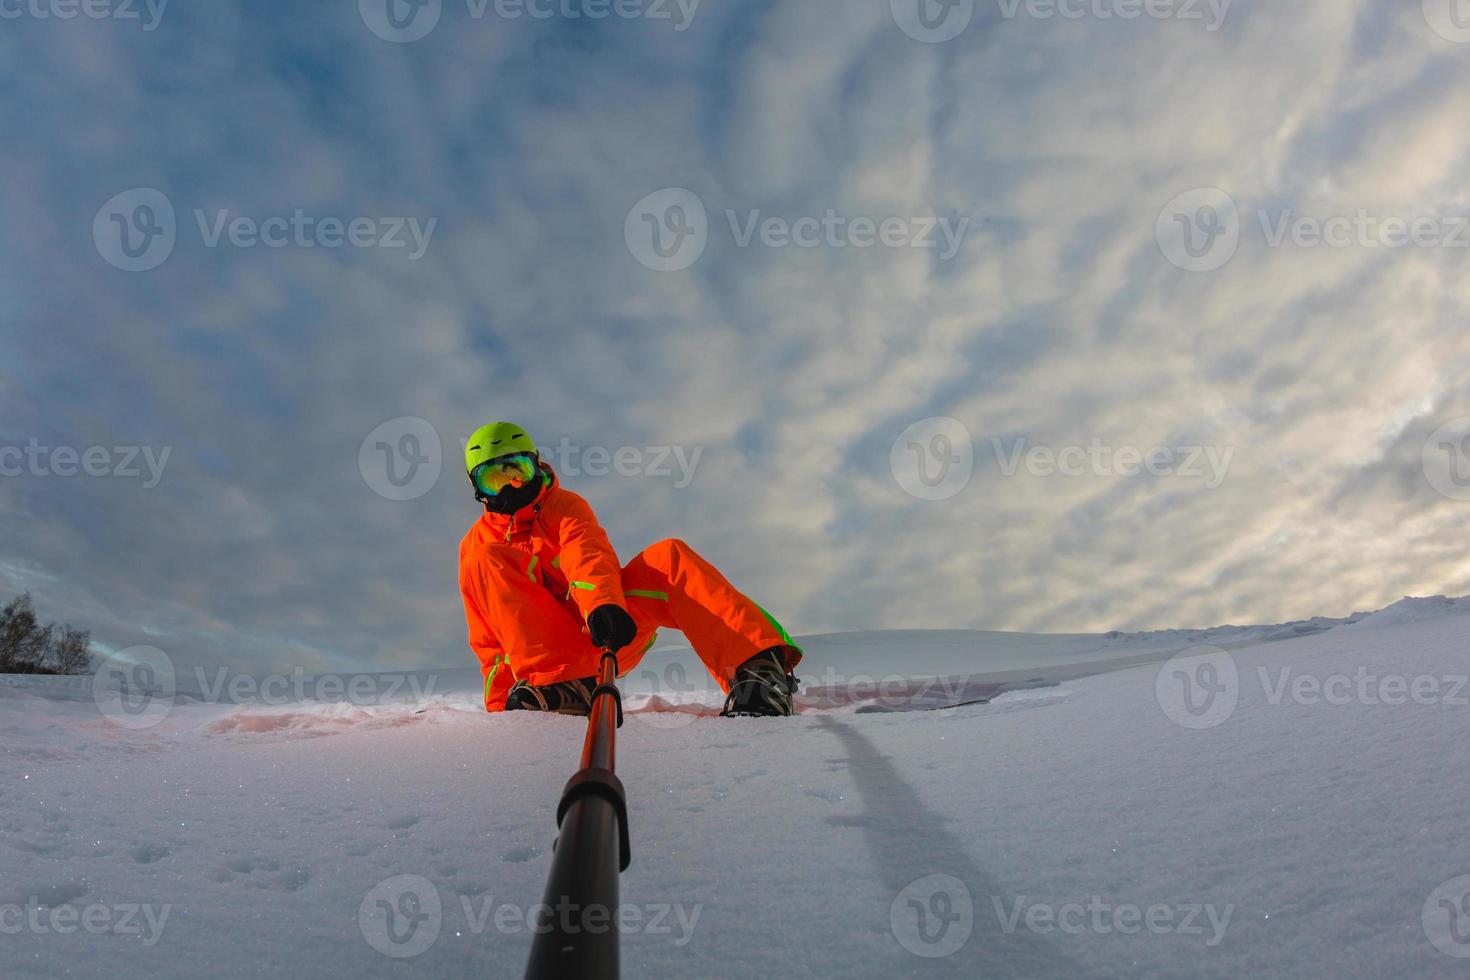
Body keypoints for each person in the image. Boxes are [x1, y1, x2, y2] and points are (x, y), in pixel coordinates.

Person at [457, 422, 802, 717]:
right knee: (483, 559)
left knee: (668, 557)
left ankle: (759, 672)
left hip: (609, 625)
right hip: (548, 674)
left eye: (517, 472)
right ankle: (565, 686)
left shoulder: (563, 506)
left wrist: (603, 605)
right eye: (494, 480)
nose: (510, 487)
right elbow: (489, 639)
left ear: (535, 464)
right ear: (478, 490)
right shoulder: (476, 546)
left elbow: (587, 553)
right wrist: (502, 710)